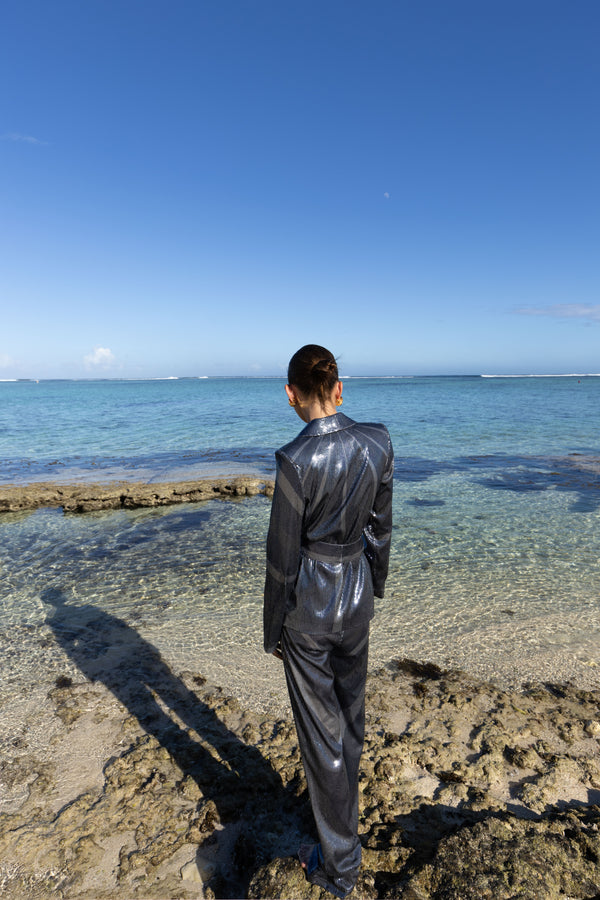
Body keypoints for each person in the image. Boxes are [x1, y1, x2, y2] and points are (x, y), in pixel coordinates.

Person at [264, 344, 394, 898]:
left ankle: (339, 865)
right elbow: (381, 528)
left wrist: (272, 630)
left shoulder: (295, 459)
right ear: (339, 390)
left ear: (292, 395)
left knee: (323, 738)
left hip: (310, 612)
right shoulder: (378, 441)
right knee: (351, 721)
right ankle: (342, 829)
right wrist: (376, 584)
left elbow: (281, 559)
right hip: (356, 597)